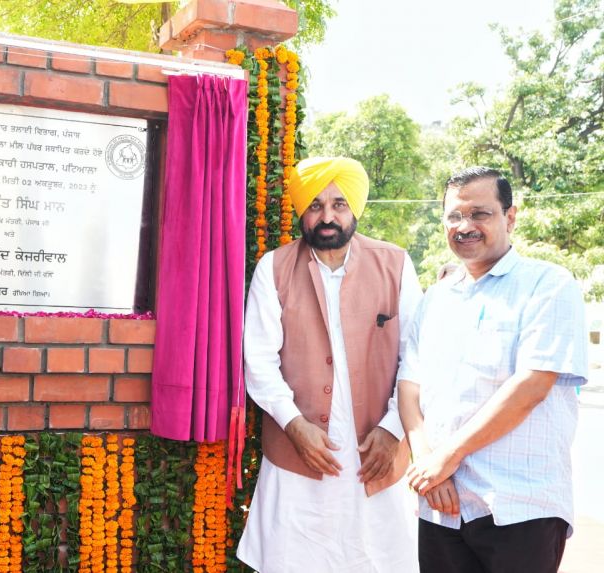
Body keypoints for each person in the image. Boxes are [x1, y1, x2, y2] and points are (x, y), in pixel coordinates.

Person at [398, 166, 588, 573]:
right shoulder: (436, 300)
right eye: (454, 216)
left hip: (518, 504)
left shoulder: (548, 284)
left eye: (480, 213)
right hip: (442, 506)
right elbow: (409, 387)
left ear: (510, 216)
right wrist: (429, 465)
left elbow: (532, 386)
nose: (465, 226)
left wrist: (447, 456)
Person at [237, 157, 422, 573]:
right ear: (302, 212)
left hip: (376, 451)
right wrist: (295, 425)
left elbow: (418, 356)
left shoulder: (396, 264)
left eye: (339, 204)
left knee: (377, 558)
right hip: (297, 453)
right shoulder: (275, 267)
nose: (327, 216)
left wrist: (394, 428)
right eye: (316, 205)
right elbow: (259, 361)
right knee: (294, 558)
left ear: (354, 209)